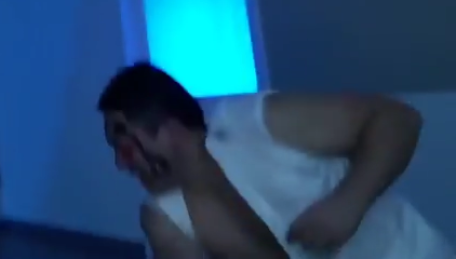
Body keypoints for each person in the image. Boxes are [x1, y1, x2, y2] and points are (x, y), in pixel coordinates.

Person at [97, 62, 453, 259]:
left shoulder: (255, 121)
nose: (122, 165)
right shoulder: (165, 216)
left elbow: (399, 120)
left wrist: (349, 202)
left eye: (124, 148)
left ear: (167, 127)